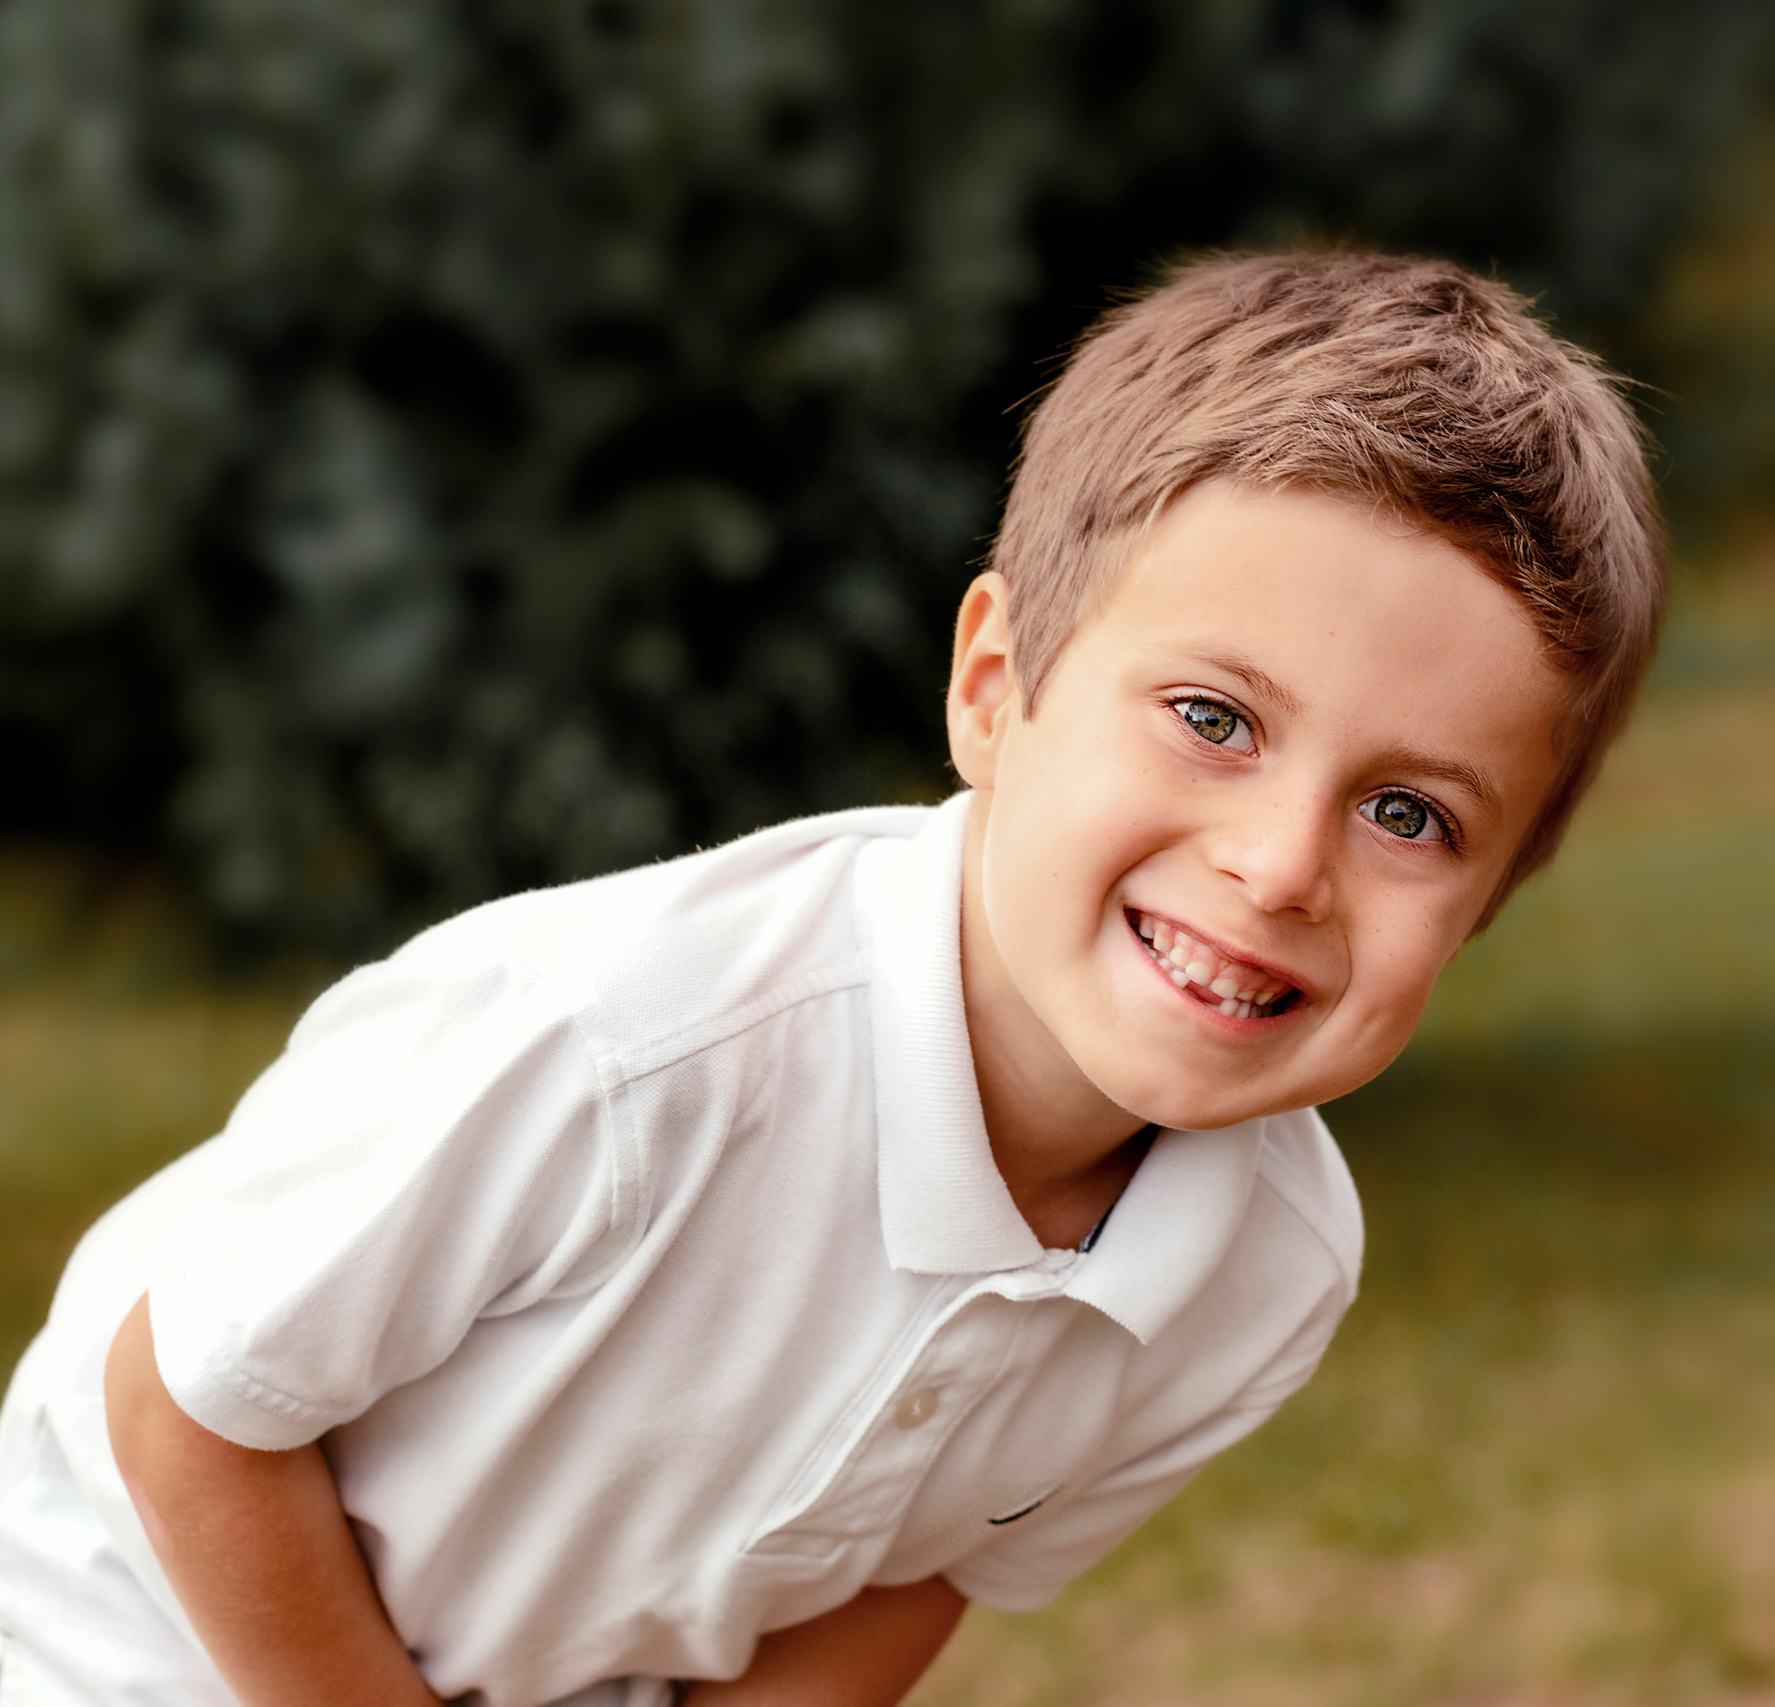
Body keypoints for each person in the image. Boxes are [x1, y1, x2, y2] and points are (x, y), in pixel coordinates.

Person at [0, 249, 1665, 1707]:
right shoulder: (618, 1043)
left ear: (1490, 899)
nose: (1283, 863)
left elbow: (916, 1567)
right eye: (1213, 719)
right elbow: (187, 1410)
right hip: (125, 1633)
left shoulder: (1266, 1271)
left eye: (1407, 815)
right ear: (994, 689)